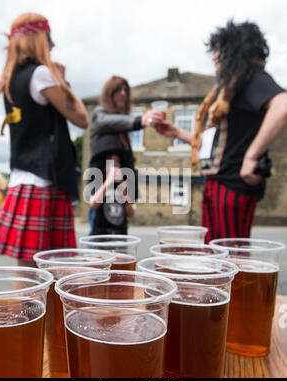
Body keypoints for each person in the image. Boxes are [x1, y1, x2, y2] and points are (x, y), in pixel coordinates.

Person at [157, 20, 287, 242]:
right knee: (214, 255)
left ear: (237, 50)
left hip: (233, 185)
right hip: (216, 181)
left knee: (230, 256)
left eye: (220, 50)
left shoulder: (251, 78)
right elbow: (215, 143)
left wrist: (252, 156)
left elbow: (283, 104)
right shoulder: (228, 88)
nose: (215, 57)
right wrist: (178, 133)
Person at [0, 13, 89, 266]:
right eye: (49, 38)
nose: (52, 45)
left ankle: (24, 308)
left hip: (23, 177)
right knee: (48, 270)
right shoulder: (42, 74)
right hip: (44, 179)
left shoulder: (11, 77)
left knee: (28, 269)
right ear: (38, 40)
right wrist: (63, 82)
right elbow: (82, 119)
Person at [87, 75, 164, 235]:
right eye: (118, 90)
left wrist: (127, 187)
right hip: (100, 194)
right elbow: (104, 121)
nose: (123, 93)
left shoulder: (123, 130)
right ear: (109, 93)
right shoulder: (100, 115)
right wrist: (139, 121)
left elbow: (130, 210)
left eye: (125, 90)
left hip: (119, 197)